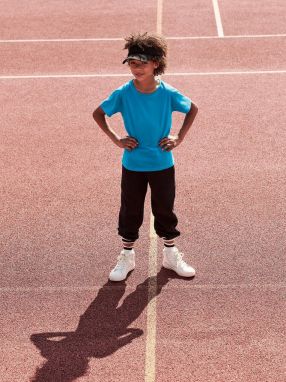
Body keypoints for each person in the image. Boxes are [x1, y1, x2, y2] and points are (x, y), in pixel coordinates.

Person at [93, 32, 198, 282]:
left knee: (164, 208)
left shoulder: (168, 93)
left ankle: (170, 254)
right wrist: (116, 138)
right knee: (130, 210)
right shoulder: (123, 93)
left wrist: (179, 137)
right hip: (133, 164)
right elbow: (98, 113)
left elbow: (192, 108)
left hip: (162, 163)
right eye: (132, 63)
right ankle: (127, 256)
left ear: (156, 64)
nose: (136, 68)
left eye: (141, 63)